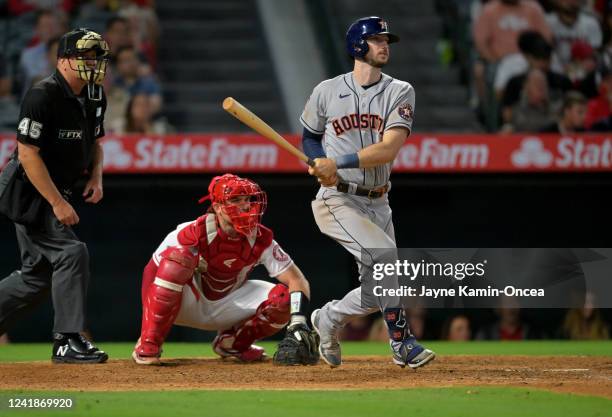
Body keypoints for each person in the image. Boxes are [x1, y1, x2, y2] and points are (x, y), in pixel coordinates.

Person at [301, 16, 435, 369]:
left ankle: (328, 318)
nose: (384, 45)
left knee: (378, 291)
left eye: (386, 40)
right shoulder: (326, 91)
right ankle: (403, 343)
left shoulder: (400, 90)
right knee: (385, 256)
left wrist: (336, 160)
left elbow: (389, 149)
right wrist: (318, 163)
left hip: (379, 199)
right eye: (377, 39)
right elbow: (310, 137)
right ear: (358, 46)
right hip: (338, 199)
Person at [0, 28, 110, 364]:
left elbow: (95, 143)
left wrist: (95, 175)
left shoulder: (95, 94)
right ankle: (67, 340)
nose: (91, 63)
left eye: (95, 57)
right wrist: (57, 202)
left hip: (56, 187)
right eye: (84, 56)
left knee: (36, 278)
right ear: (62, 61)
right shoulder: (42, 95)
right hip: (28, 189)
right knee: (71, 253)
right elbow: (28, 154)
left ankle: (67, 337)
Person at [132, 174, 319, 366]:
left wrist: (298, 320)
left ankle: (233, 344)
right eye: (236, 200)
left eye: (247, 199)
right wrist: (150, 318)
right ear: (218, 207)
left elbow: (297, 280)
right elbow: (151, 274)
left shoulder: (261, 238)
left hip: (227, 306)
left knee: (284, 300)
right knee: (177, 261)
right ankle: (149, 343)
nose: (245, 206)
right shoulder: (191, 232)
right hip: (183, 305)